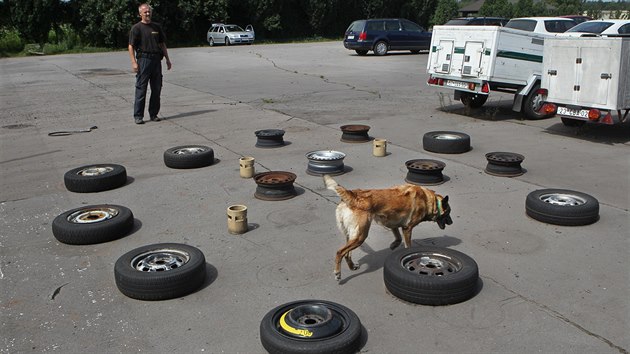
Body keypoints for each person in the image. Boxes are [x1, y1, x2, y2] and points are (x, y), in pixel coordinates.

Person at [128, 3, 172, 124]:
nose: (147, 13)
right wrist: (134, 62)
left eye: (149, 11)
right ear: (140, 14)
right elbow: (131, 46)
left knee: (157, 88)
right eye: (145, 12)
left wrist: (167, 59)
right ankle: (138, 116)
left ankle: (153, 114)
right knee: (141, 89)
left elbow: (162, 44)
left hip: (156, 60)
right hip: (144, 60)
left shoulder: (156, 27)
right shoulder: (136, 28)